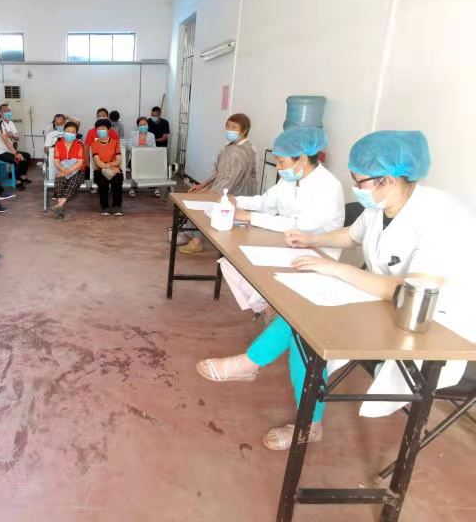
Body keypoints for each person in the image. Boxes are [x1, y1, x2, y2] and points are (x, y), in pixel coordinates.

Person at [195, 130, 475, 450]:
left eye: (359, 181)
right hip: (385, 302)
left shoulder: (440, 216)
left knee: (308, 332)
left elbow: (409, 291)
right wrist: (311, 240)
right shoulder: (382, 202)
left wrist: (336, 269)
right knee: (303, 313)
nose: (355, 188)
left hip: (434, 325)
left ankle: (303, 417)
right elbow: (352, 236)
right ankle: (254, 367)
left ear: (387, 180)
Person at [198, 126, 343, 318]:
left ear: (302, 159)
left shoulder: (328, 187)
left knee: (251, 270)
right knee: (231, 263)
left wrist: (249, 217)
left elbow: (299, 225)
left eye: (281, 162)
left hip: (315, 253)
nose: (279, 167)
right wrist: (236, 201)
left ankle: (273, 311)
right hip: (284, 243)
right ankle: (268, 310)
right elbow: (266, 202)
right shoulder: (290, 179)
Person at [180, 113, 258, 253]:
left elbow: (231, 180)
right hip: (223, 187)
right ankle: (191, 234)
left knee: (201, 204)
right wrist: (203, 185)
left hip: (235, 192)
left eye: (234, 127)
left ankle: (196, 241)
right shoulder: (231, 147)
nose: (229, 130)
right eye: (228, 126)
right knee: (196, 196)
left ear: (244, 130)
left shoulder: (242, 151)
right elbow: (218, 170)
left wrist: (211, 193)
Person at [51, 121, 86, 219]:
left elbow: (80, 163)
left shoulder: (79, 144)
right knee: (60, 180)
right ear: (64, 131)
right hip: (62, 169)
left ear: (76, 134)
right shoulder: (58, 143)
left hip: (78, 171)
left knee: (73, 182)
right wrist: (63, 171)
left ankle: (59, 205)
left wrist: (67, 171)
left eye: (72, 132)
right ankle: (60, 207)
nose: (70, 133)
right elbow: (57, 162)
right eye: (68, 131)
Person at [92, 119, 124, 216]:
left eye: (103, 128)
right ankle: (104, 206)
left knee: (117, 181)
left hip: (114, 167)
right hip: (100, 169)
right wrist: (106, 167)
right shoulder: (94, 144)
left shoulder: (115, 143)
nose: (100, 130)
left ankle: (117, 205)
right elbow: (97, 160)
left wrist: (111, 165)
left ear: (109, 130)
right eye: (98, 129)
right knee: (102, 182)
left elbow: (119, 159)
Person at [0, 103, 32, 187]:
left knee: (27, 156)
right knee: (18, 159)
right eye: (5, 111)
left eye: (9, 110)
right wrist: (16, 153)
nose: (8, 112)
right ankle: (16, 180)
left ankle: (22, 176)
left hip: (10, 150)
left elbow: (17, 138)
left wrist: (12, 136)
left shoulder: (11, 123)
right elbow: (6, 141)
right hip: (1, 152)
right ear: (0, 113)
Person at [127, 117, 157, 198]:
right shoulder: (133, 134)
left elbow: (154, 148)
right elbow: (129, 146)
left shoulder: (151, 135)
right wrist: (138, 147)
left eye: (145, 124)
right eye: (141, 125)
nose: (143, 126)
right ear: (138, 126)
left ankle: (154, 187)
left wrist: (147, 148)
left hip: (147, 158)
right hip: (135, 158)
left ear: (148, 125)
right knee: (134, 167)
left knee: (154, 166)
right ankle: (132, 188)